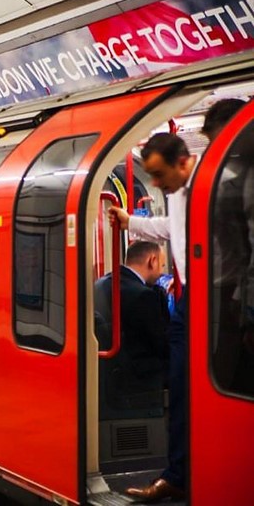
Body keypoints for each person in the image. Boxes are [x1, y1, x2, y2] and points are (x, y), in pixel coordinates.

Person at [109, 133, 194, 502]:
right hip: (190, 297)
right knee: (180, 387)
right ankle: (178, 473)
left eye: (158, 175)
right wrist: (131, 223)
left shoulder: (214, 188)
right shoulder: (177, 194)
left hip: (219, 296)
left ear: (183, 163)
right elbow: (170, 229)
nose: (155, 184)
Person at [94, 241, 169, 410]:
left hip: (110, 375)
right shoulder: (143, 296)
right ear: (152, 261)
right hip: (137, 377)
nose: (162, 273)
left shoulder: (101, 283)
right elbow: (162, 345)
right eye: (162, 266)